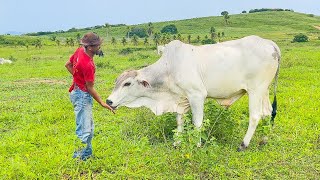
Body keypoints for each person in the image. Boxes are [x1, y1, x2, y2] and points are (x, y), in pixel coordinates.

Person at [65, 32, 115, 160]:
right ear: (91, 47)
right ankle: (78, 158)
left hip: (77, 90)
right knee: (84, 129)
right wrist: (102, 103)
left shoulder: (79, 51)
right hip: (82, 95)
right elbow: (90, 87)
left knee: (89, 127)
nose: (99, 47)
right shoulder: (88, 64)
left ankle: (87, 154)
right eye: (97, 45)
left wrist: (78, 78)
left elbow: (68, 65)